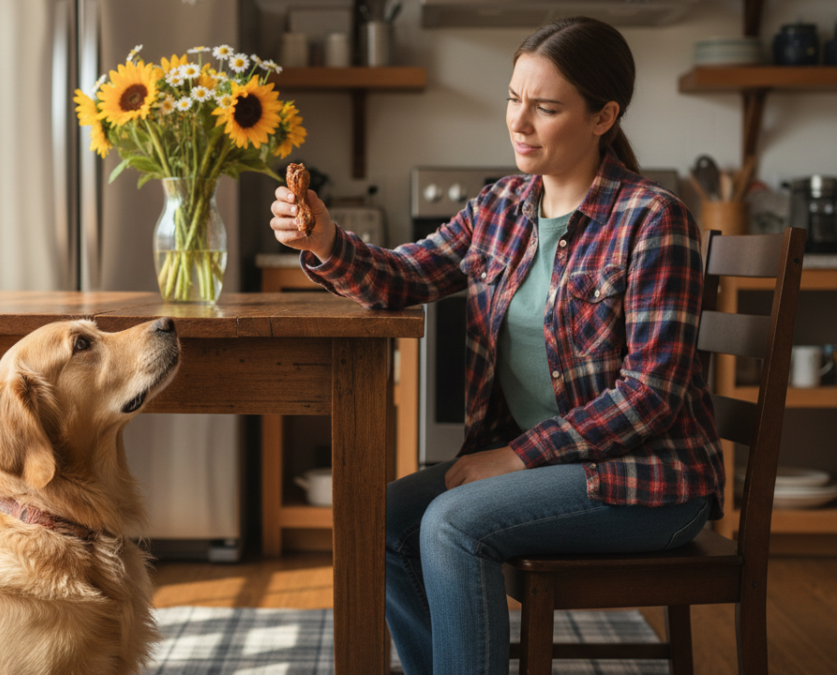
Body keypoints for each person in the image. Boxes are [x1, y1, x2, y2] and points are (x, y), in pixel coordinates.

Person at [269, 15, 725, 675]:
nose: (519, 122)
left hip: (650, 482)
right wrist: (326, 243)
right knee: (379, 516)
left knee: (451, 523)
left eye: (545, 107)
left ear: (603, 117)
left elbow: (649, 398)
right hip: (546, 470)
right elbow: (404, 276)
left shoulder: (653, 220)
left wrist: (514, 456)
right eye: (514, 99)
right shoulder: (500, 208)